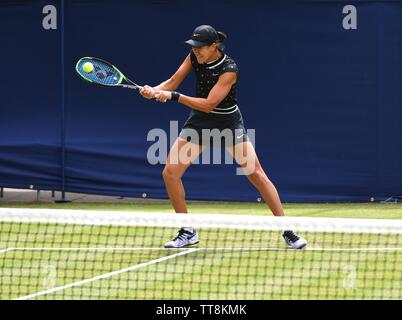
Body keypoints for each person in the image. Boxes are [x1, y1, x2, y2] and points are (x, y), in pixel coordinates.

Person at [140, 25, 307, 249]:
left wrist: (172, 97)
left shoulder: (229, 68)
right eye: (194, 47)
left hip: (227, 122)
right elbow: (172, 81)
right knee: (170, 173)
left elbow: (209, 104)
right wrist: (153, 90)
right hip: (200, 122)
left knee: (256, 174)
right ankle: (187, 230)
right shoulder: (194, 57)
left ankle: (288, 230)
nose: (196, 51)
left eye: (200, 47)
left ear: (213, 46)